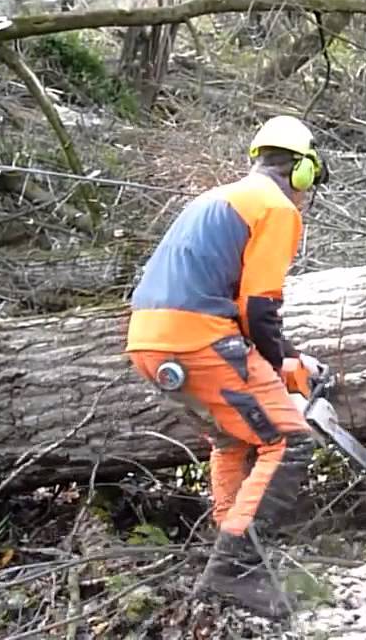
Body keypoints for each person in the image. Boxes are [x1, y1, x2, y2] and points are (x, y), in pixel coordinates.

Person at [123, 115, 330, 618]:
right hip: (198, 338)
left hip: (149, 341)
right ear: (302, 171)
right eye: (310, 184)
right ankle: (233, 571)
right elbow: (259, 307)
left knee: (232, 438)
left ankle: (230, 544)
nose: (307, 194)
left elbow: (240, 309)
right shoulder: (277, 207)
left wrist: (281, 359)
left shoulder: (218, 198)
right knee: (290, 440)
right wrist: (283, 367)